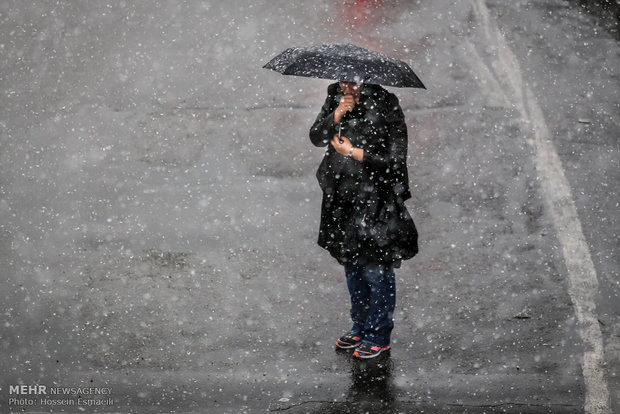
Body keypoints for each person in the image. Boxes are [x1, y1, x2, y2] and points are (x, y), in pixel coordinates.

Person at [309, 80, 419, 359]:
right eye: (344, 81)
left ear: (367, 80)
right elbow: (316, 137)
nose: (347, 87)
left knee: (376, 268)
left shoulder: (386, 103)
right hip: (342, 198)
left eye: (353, 82)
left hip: (376, 201)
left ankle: (378, 333)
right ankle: (359, 326)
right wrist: (335, 115)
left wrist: (354, 153)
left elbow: (395, 162)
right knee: (353, 266)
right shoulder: (335, 96)